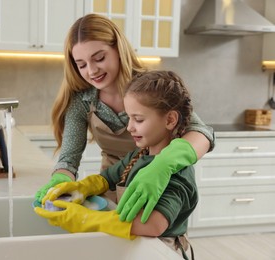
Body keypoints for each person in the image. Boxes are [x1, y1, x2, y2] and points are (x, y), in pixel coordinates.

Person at [35, 13, 214, 223]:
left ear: (118, 50)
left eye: (99, 58)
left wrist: (162, 165)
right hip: (111, 185)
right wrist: (61, 181)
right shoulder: (82, 99)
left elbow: (202, 133)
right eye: (81, 64)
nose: (92, 71)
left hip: (157, 185)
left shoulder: (149, 86)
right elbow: (69, 158)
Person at [35, 70, 198, 259]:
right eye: (129, 118)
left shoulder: (178, 172)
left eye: (138, 119)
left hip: (162, 252)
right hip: (135, 249)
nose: (129, 127)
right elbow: (107, 178)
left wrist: (85, 219)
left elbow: (153, 225)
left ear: (170, 120)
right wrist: (80, 188)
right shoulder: (140, 155)